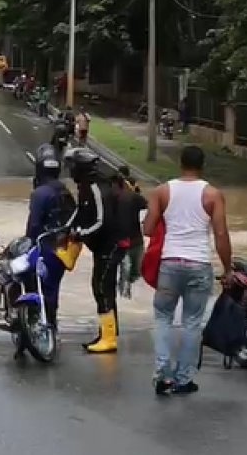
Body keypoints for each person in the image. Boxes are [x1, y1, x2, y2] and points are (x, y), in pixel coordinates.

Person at [142, 145, 232, 396]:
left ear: (180, 163)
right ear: (202, 165)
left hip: (169, 264)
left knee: (163, 319)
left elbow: (148, 229)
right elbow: (221, 234)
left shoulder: (162, 191)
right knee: (192, 323)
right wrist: (228, 268)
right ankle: (183, 380)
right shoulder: (213, 195)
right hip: (199, 264)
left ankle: (162, 375)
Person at [65, 148, 123, 354]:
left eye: (72, 166)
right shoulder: (86, 186)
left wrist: (81, 234)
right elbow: (80, 212)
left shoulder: (98, 188)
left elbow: (101, 220)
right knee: (101, 288)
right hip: (102, 247)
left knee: (102, 288)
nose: (69, 170)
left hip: (109, 247)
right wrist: (68, 228)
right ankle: (108, 333)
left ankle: (108, 339)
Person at [111, 173, 148, 292]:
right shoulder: (117, 197)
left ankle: (123, 285)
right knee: (128, 268)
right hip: (125, 239)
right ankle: (123, 288)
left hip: (134, 239)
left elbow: (146, 205)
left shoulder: (133, 197)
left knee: (135, 269)